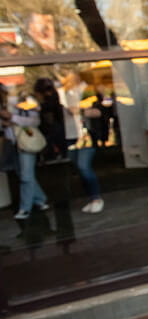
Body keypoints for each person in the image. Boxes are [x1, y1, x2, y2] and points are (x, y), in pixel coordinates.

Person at [58, 71, 104, 214]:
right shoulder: (62, 92)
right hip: (69, 136)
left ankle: (96, 198)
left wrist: (79, 111)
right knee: (78, 168)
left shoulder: (86, 90)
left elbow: (98, 111)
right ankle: (91, 198)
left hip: (85, 135)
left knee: (83, 166)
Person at [0, 91, 49, 220]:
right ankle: (40, 199)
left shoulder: (26, 100)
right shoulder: (4, 103)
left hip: (26, 143)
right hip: (11, 143)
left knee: (26, 176)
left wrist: (12, 118)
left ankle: (25, 208)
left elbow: (35, 121)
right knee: (24, 175)